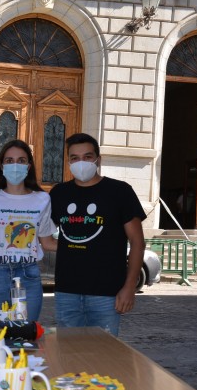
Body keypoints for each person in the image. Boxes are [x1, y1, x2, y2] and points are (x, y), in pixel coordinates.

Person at [49, 133, 145, 336]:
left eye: (87, 156)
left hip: (107, 294)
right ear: (68, 162)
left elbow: (137, 242)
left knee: (104, 357)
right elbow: (44, 235)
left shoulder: (120, 191)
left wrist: (129, 287)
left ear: (98, 160)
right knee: (69, 353)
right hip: (67, 291)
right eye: (74, 158)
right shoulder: (59, 193)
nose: (81, 162)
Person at [0, 140, 57, 324]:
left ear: (29, 165)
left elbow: (48, 242)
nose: (15, 165)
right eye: (9, 160)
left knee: (24, 338)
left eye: (21, 160)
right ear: (2, 166)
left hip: (29, 274)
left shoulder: (43, 199)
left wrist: (83, 244)